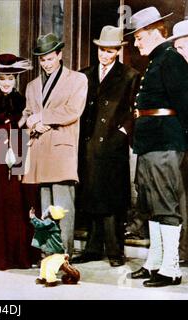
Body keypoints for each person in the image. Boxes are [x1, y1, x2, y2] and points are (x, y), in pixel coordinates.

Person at [125, 7, 188, 287]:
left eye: (138, 37)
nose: (136, 43)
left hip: (165, 141)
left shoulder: (170, 59)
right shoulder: (156, 60)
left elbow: (184, 103)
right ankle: (155, 261)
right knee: (151, 204)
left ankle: (171, 268)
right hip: (150, 142)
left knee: (166, 205)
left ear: (152, 33)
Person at [73, 26, 140, 267]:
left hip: (112, 146)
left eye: (110, 50)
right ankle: (92, 249)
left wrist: (122, 133)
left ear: (117, 52)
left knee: (112, 200)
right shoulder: (85, 74)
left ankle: (115, 251)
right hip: (89, 144)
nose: (104, 54)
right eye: (102, 49)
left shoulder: (129, 75)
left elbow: (134, 111)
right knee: (91, 196)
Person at [19, 33, 88, 258]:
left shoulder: (77, 79)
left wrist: (41, 118)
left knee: (63, 208)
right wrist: (32, 123)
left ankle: (64, 256)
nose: (46, 64)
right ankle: (48, 255)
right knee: (46, 207)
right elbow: (28, 115)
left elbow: (73, 110)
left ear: (59, 55)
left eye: (50, 58)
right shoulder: (31, 86)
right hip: (40, 151)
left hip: (62, 151)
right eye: (42, 59)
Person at [0, 53, 33, 270]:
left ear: (15, 79)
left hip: (18, 154)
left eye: (10, 78)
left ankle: (17, 257)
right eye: (2, 78)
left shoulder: (21, 100)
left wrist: (19, 124)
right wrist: (17, 122)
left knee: (15, 203)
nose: (6, 83)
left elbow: (23, 128)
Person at [168, 19, 188, 265]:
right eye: (178, 48)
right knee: (181, 198)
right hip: (180, 146)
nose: (180, 53)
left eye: (184, 47)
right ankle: (183, 251)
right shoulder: (175, 72)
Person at [30, 205, 80, 286]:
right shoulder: (53, 223)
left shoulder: (50, 223)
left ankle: (51, 280)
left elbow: (39, 224)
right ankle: (43, 277)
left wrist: (33, 217)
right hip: (56, 253)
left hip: (58, 254)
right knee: (44, 262)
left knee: (50, 265)